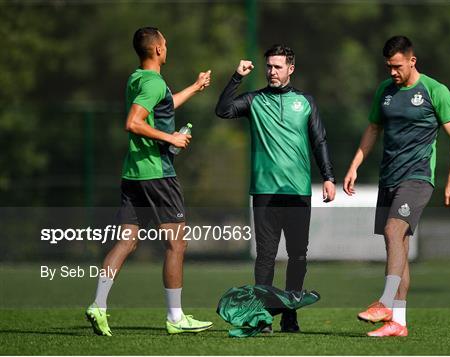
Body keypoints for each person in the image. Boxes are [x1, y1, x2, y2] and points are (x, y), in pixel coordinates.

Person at [85, 27, 213, 336]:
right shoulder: (153, 83)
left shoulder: (138, 79)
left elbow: (162, 105)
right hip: (157, 174)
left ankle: (98, 304)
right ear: (157, 50)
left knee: (127, 241)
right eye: (165, 44)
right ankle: (176, 317)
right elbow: (133, 122)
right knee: (176, 243)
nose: (167, 48)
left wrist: (195, 87)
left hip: (133, 173)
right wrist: (171, 137)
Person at [343, 36, 450, 337]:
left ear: (412, 61)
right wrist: (355, 165)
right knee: (398, 246)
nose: (393, 73)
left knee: (393, 231)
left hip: (418, 177)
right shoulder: (385, 92)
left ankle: (384, 302)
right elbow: (373, 128)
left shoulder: (435, 91)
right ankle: (399, 322)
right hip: (389, 178)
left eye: (397, 66)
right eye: (388, 67)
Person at [215, 44, 336, 332]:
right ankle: (262, 316)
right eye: (269, 66)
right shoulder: (254, 101)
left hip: (297, 191)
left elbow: (319, 141)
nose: (272, 71)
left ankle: (291, 315)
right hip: (265, 192)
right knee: (266, 257)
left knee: (298, 256)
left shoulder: (305, 102)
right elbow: (222, 110)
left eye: (278, 66)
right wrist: (236, 77)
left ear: (290, 69)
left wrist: (329, 177)